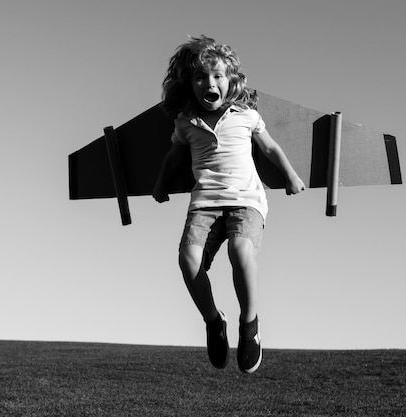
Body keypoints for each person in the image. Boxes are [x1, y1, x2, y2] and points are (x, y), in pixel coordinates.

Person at [153, 36, 305, 373]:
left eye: (218, 76)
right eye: (201, 77)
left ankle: (249, 325)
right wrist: (161, 184)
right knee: (188, 260)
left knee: (241, 251)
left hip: (245, 202)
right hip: (205, 205)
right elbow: (172, 157)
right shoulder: (186, 122)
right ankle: (213, 321)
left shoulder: (245, 114)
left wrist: (291, 175)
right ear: (189, 85)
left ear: (231, 79)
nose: (211, 83)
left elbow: (269, 149)